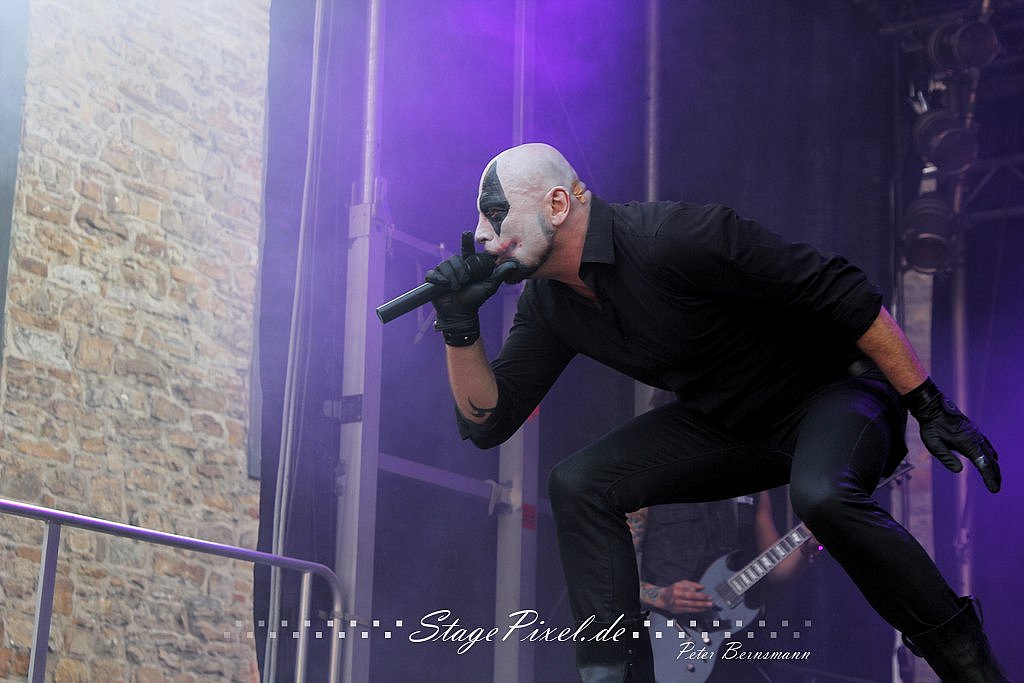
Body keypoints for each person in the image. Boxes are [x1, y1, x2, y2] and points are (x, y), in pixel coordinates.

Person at [425, 142, 1006, 682]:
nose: (483, 236)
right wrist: (458, 325)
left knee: (822, 496)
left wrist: (928, 403)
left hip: (834, 393)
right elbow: (489, 422)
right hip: (735, 425)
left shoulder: (671, 237)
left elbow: (844, 293)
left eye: (495, 214)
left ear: (557, 205)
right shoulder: (549, 304)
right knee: (579, 484)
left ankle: (968, 664)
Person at [629, 492, 810, 682]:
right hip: (666, 637)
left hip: (736, 641)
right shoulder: (650, 484)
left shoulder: (757, 488)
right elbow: (614, 576)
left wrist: (805, 548)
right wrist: (660, 596)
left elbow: (777, 572)